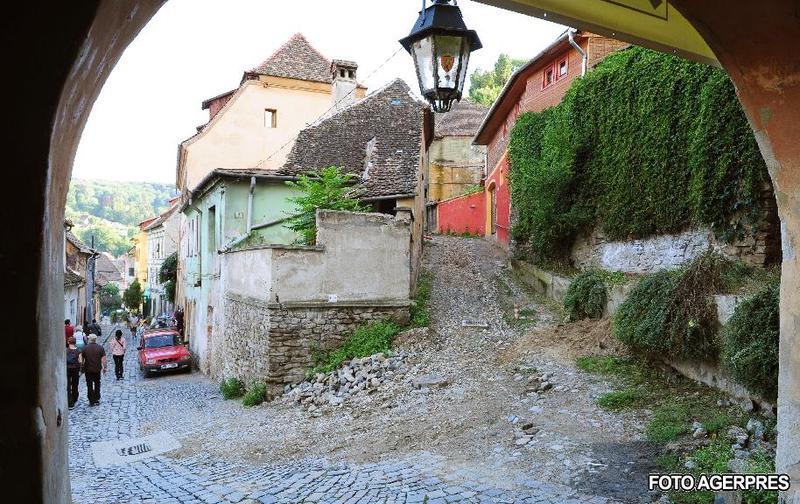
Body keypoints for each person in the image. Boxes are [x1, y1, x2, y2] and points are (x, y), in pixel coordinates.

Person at [79, 334, 107, 406]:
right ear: (95, 339)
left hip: (88, 369)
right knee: (97, 383)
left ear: (89, 339)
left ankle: (91, 400)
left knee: (89, 384)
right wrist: (105, 367)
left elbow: (81, 359)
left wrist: (81, 366)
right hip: (97, 369)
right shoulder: (100, 348)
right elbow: (104, 359)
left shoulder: (85, 348)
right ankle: (97, 398)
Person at [65, 336, 81, 409]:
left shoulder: (66, 350)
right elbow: (80, 361)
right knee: (75, 384)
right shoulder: (78, 351)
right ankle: (74, 398)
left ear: (68, 342)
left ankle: (70, 402)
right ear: (75, 343)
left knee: (68, 385)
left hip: (67, 369)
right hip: (75, 369)